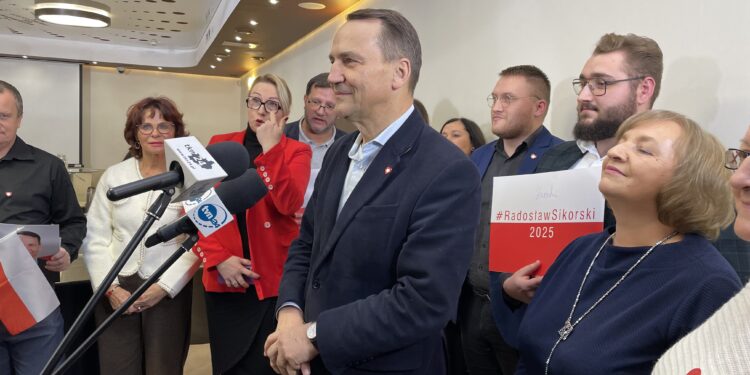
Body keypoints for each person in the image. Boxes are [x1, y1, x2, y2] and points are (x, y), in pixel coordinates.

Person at [265, 8, 481, 375]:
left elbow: (424, 300)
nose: (333, 76)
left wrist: (314, 335)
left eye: (349, 61)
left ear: (400, 72)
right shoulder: (339, 151)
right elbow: (308, 243)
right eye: (333, 61)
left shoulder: (447, 170)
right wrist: (289, 313)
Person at [497, 110, 742, 374]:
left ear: (689, 180)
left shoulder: (707, 285)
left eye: (644, 150)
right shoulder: (580, 249)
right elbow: (531, 357)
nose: (615, 152)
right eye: (622, 141)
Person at [489, 33, 664, 339]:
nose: (583, 95)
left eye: (601, 83)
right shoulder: (556, 157)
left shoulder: (672, 171)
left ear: (643, 89)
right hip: (532, 339)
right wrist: (507, 283)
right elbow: (517, 244)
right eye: (582, 83)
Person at [194, 73, 311, 375]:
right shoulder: (220, 145)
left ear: (284, 113)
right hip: (226, 277)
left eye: (272, 104)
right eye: (256, 101)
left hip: (270, 280)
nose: (262, 109)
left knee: (267, 365)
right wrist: (218, 259)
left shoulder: (297, 151)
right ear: (247, 105)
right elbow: (196, 208)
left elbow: (288, 204)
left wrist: (271, 150)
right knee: (227, 365)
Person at [82, 96, 199, 375]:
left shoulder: (192, 177)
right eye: (146, 126)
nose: (155, 133)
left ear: (176, 131)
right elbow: (95, 237)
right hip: (116, 287)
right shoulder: (115, 176)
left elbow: (200, 241)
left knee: (164, 368)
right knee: (118, 367)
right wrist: (109, 289)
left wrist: (166, 287)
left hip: (167, 291)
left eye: (164, 125)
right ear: (135, 134)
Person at [458, 65, 562, 375]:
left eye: (508, 98)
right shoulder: (478, 158)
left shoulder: (563, 158)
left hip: (523, 312)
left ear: (538, 107)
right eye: (494, 98)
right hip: (469, 305)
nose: (497, 107)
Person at [0, 80, 86, 375]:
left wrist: (67, 249)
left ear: (19, 119)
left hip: (33, 304)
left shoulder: (48, 167)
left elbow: (74, 222)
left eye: (4, 115)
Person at [651, 126, 750, 374]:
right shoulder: (584, 249)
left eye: (644, 150)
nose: (737, 178)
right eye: (745, 154)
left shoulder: (711, 278)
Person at [284, 72, 347, 209]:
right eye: (316, 102)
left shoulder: (349, 147)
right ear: (305, 101)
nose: (320, 111)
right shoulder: (280, 137)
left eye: (330, 106)